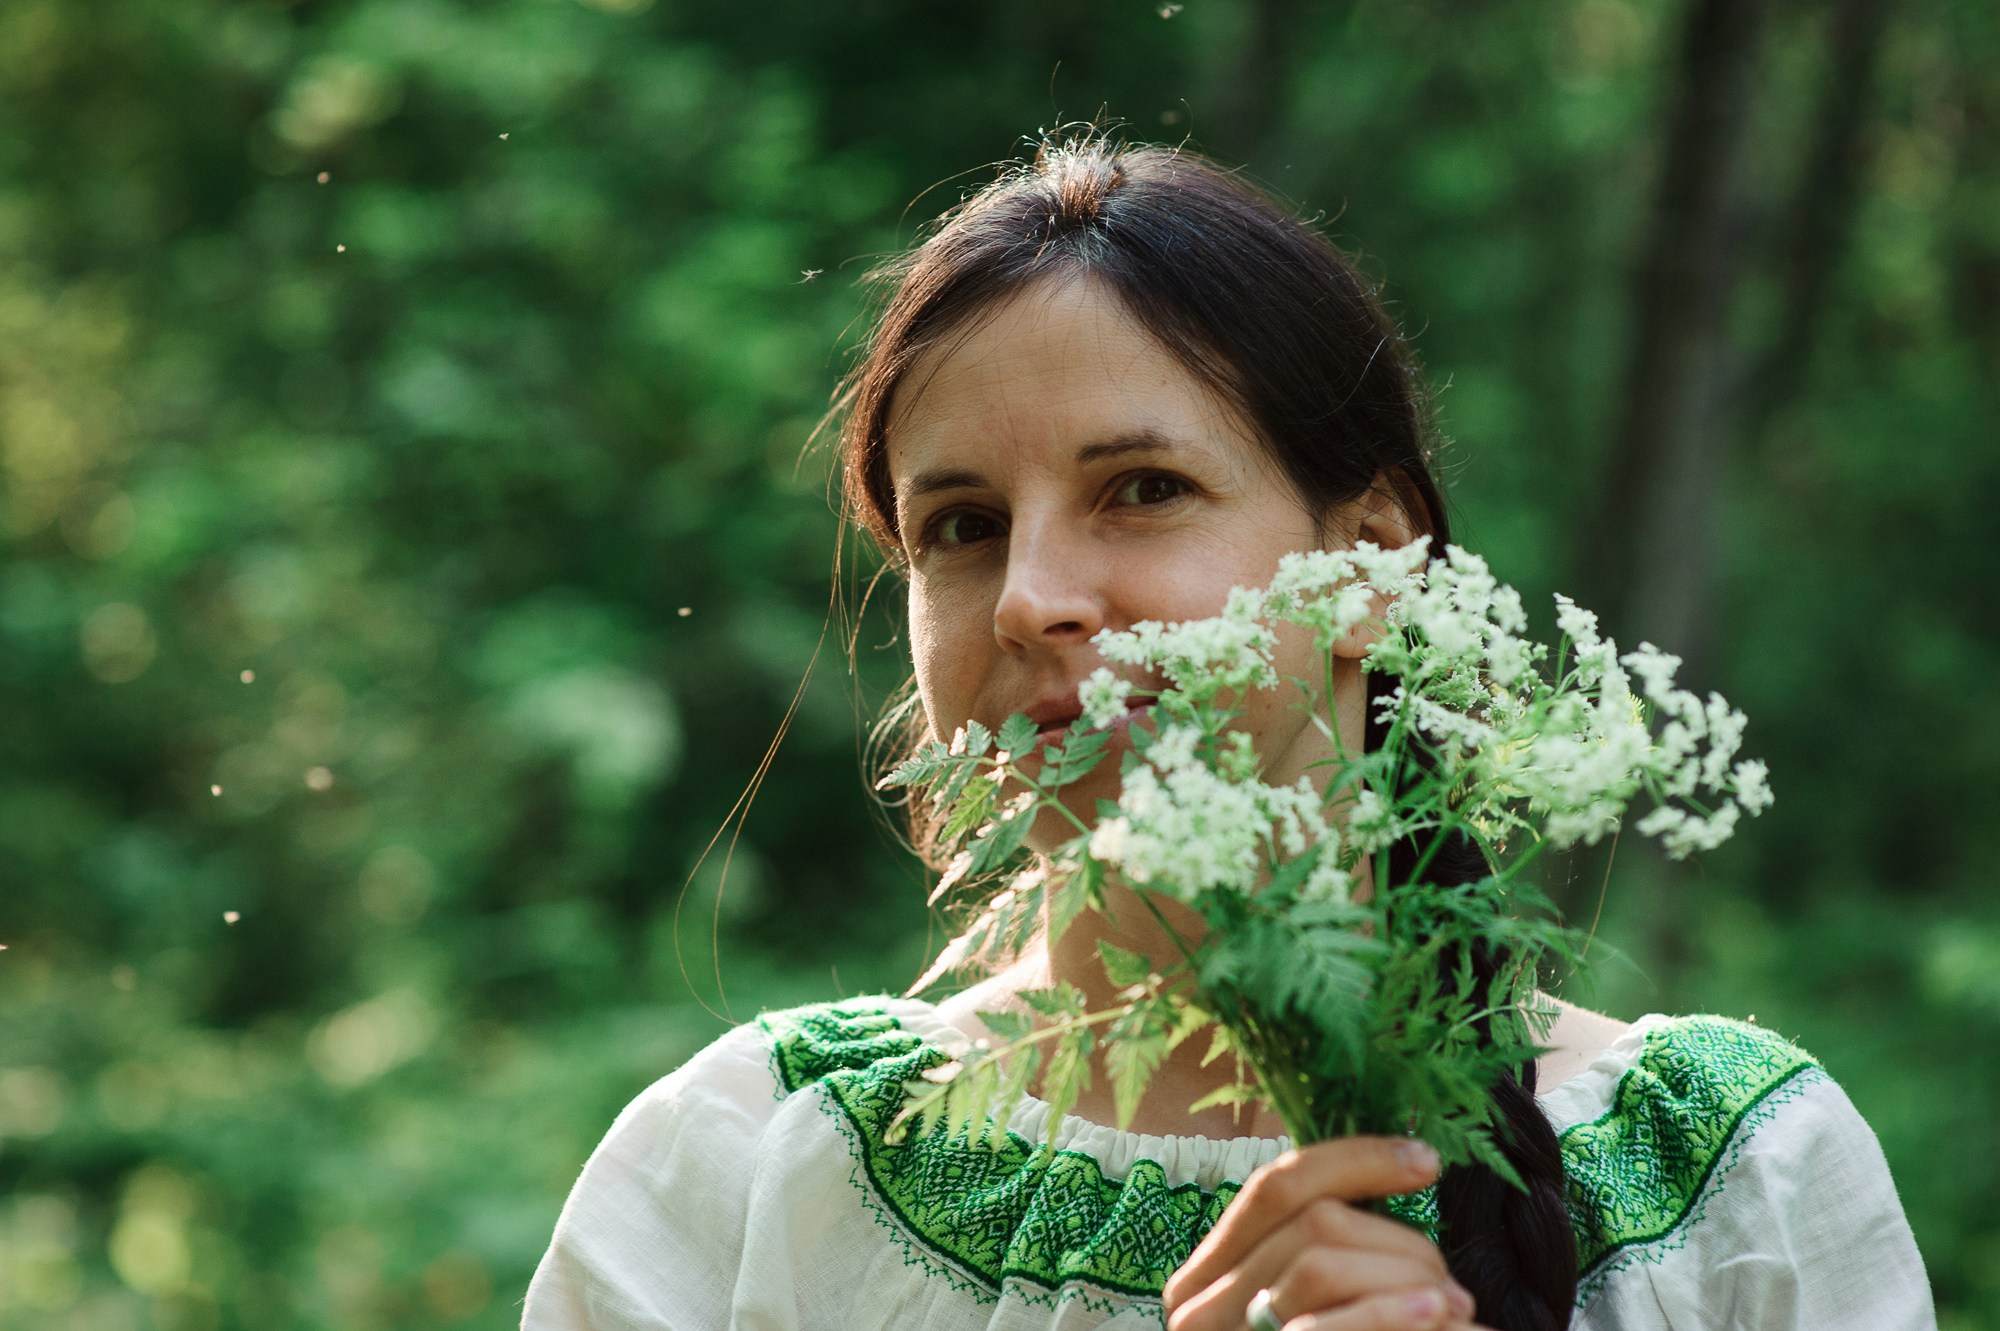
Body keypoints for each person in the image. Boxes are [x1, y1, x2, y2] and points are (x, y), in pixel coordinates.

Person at [521, 139, 1935, 1331]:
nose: (1028, 599)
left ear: (1373, 561)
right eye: (961, 529)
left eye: (1140, 489)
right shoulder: (748, 1169)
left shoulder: (1743, 1183)